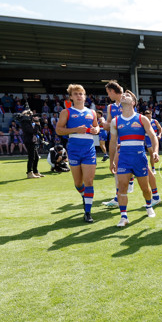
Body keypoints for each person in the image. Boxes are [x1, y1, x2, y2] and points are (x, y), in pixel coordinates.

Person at [109, 91, 159, 227]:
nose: (124, 96)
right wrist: (111, 161)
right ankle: (123, 217)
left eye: (128, 96)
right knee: (122, 187)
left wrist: (155, 151)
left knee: (145, 188)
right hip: (124, 158)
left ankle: (149, 206)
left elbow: (153, 136)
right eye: (123, 95)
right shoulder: (115, 121)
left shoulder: (142, 119)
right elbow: (112, 142)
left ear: (133, 102)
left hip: (139, 157)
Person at [55, 84, 100, 223]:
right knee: (78, 182)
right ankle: (84, 196)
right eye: (76, 94)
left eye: (81, 93)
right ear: (71, 97)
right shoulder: (66, 112)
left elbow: (96, 126)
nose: (79, 96)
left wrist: (96, 130)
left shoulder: (91, 112)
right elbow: (59, 130)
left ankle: (87, 212)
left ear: (85, 96)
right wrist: (75, 129)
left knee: (89, 181)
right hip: (74, 149)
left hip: (89, 149)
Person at [143, 109, 162, 207]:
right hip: (147, 138)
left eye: (149, 114)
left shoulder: (155, 121)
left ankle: (153, 168)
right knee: (151, 153)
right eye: (146, 114)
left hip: (153, 137)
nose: (148, 116)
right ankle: (153, 168)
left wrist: (159, 134)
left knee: (152, 153)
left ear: (151, 114)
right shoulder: (143, 121)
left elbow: (160, 128)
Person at [19, 110, 45, 178]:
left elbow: (37, 131)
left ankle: (35, 172)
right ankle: (29, 173)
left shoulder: (30, 122)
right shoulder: (25, 122)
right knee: (31, 157)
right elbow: (32, 131)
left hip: (33, 140)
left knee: (36, 157)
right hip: (29, 141)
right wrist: (36, 124)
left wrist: (37, 124)